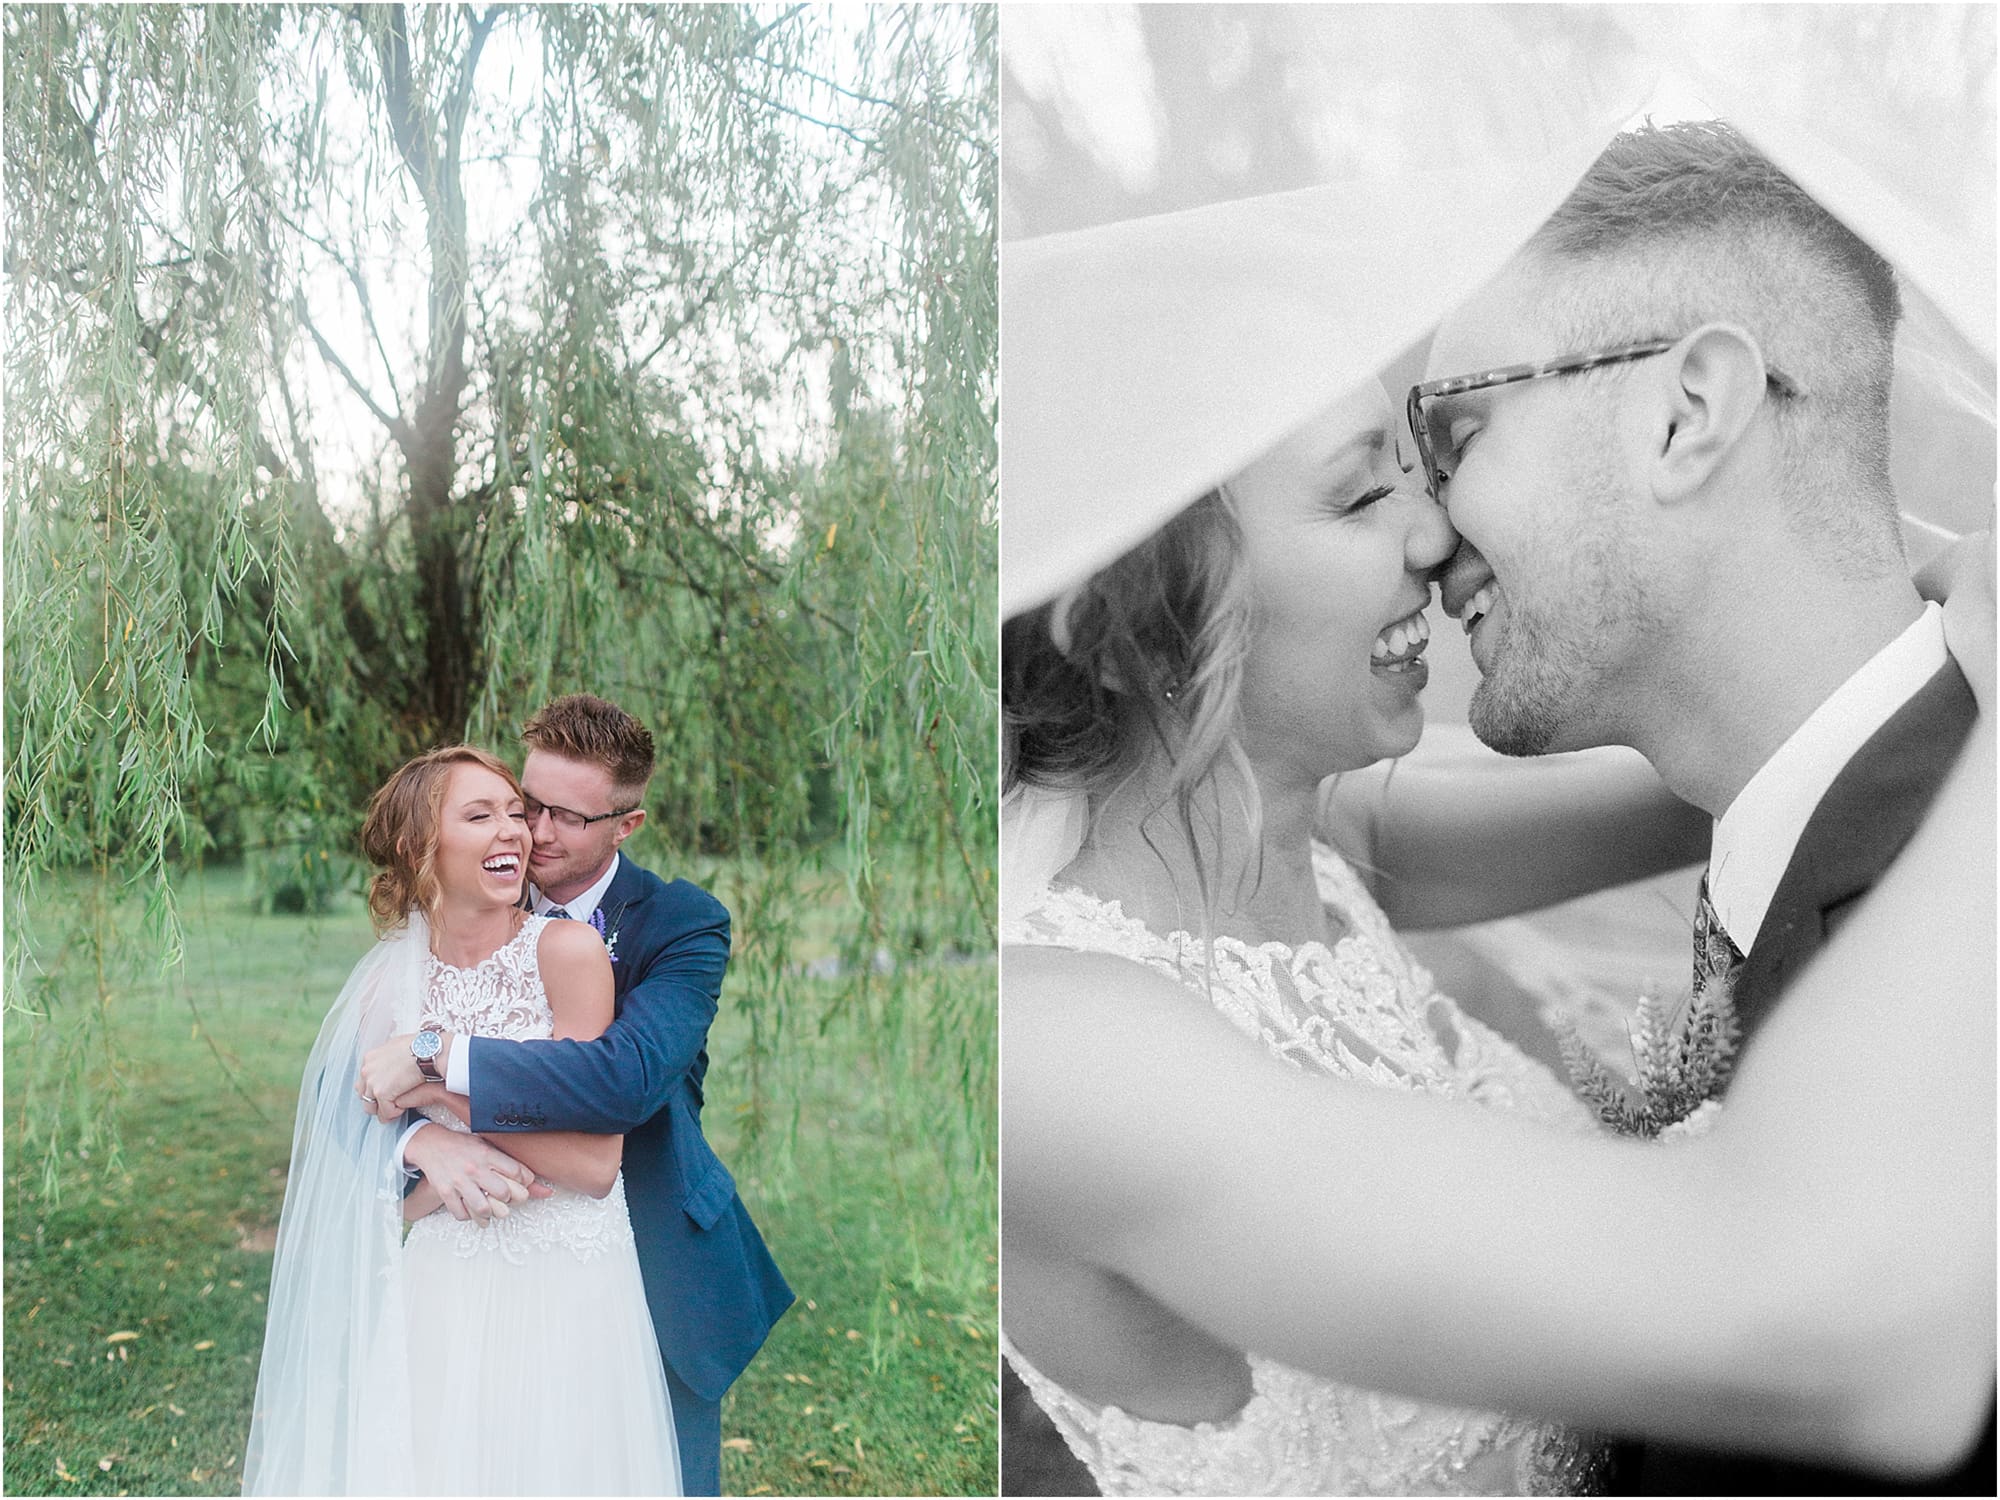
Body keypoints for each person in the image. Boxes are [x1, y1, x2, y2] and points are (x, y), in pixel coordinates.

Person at [1001, 122, 1992, 1496]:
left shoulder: (1312, 843)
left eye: (1440, 450)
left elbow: (1759, 740)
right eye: (1367, 490)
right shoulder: (1053, 1053)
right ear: (1134, 623)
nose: (1434, 529)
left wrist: (1908, 579)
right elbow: (1814, 1309)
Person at [354, 694, 793, 1496]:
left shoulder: (682, 924)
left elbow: (622, 1080)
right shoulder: (469, 900)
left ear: (627, 825)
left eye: (567, 817)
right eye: (527, 805)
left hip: (645, 1246)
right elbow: (347, 1074)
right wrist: (420, 1140)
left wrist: (436, 1062)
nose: (535, 833)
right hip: (475, 1248)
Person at [244, 745, 682, 1494]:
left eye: (516, 812)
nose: (516, 831)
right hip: (444, 1280)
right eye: (481, 816)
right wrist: (428, 1144)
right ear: (422, 848)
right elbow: (388, 1185)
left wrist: (436, 1088)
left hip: (569, 1280)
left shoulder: (567, 954)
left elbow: (592, 1167)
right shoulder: (389, 981)